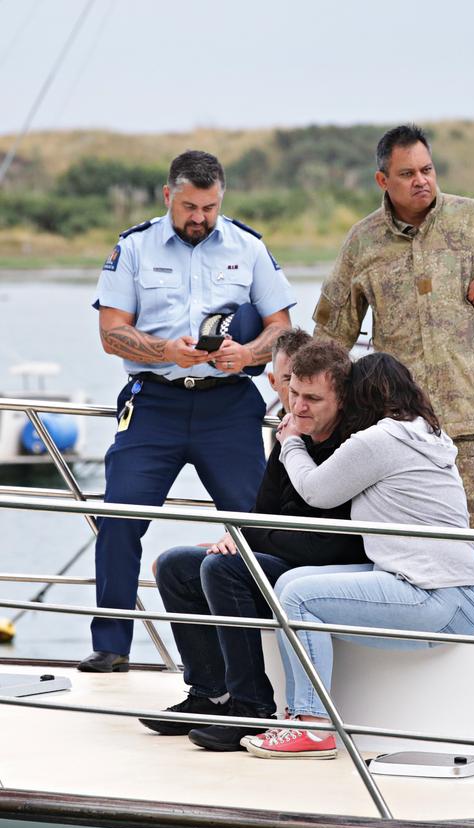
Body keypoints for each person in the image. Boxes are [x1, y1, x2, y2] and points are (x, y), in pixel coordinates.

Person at [312, 124, 474, 602]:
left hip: (471, 422)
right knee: (403, 549)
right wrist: (305, 401)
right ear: (384, 181)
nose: (422, 180)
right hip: (399, 430)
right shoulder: (362, 244)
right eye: (408, 174)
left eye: (427, 169)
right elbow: (332, 332)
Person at [78, 149, 295, 673]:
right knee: (119, 519)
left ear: (222, 199)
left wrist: (248, 354)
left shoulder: (249, 246)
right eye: (190, 207)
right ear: (168, 196)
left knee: (258, 524)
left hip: (230, 406)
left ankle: (269, 641)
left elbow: (283, 328)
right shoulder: (133, 247)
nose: (200, 218)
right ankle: (111, 646)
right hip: (155, 404)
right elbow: (111, 334)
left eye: (210, 207)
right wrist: (163, 350)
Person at [243, 352, 474, 760]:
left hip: (435, 597)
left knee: (298, 599)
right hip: (454, 593)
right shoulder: (425, 432)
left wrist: (291, 444)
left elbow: (317, 491)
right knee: (289, 583)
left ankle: (313, 726)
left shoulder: (380, 440)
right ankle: (299, 715)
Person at [142, 339, 368, 749]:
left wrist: (245, 541)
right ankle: (210, 694)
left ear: (342, 397)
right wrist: (238, 537)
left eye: (313, 398)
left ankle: (251, 708)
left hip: (328, 567)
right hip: (286, 556)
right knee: (177, 564)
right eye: (293, 393)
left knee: (225, 567)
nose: (298, 406)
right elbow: (262, 510)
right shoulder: (290, 428)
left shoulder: (354, 446)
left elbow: (331, 541)